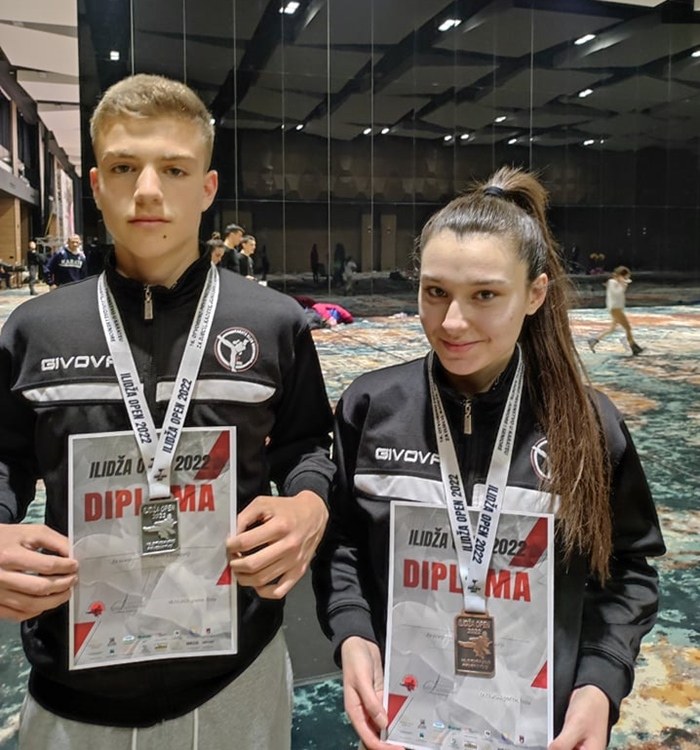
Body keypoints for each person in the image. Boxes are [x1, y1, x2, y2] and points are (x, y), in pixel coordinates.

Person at [0, 73, 334, 750]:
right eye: (125, 167)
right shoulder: (36, 330)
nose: (148, 190)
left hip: (235, 678)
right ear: (97, 185)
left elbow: (308, 447)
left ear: (206, 189)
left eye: (174, 169)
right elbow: (4, 460)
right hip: (73, 689)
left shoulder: (272, 323)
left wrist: (310, 504)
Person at [313, 167, 664, 750]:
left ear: (535, 294)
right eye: (435, 292)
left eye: (485, 295)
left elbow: (628, 570)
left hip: (540, 726)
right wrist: (353, 633)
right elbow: (342, 542)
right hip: (406, 718)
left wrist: (599, 684)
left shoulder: (588, 426)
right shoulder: (370, 408)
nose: (453, 322)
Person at [588, 266, 644, 356]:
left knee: (612, 329)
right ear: (621, 275)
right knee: (628, 328)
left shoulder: (616, 282)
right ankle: (633, 346)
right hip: (615, 308)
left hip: (617, 308)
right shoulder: (612, 282)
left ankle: (594, 340)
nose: (626, 279)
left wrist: (622, 284)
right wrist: (623, 285)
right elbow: (617, 293)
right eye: (625, 277)